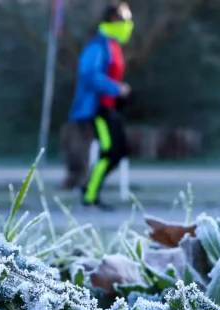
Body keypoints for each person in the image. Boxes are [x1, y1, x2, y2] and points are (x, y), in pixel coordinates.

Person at [67, 1, 134, 211]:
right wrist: (116, 89)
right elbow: (89, 74)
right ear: (113, 19)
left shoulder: (112, 45)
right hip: (97, 109)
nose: (129, 24)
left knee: (118, 150)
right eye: (125, 19)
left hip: (108, 108)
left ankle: (90, 190)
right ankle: (89, 194)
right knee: (110, 151)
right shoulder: (98, 45)